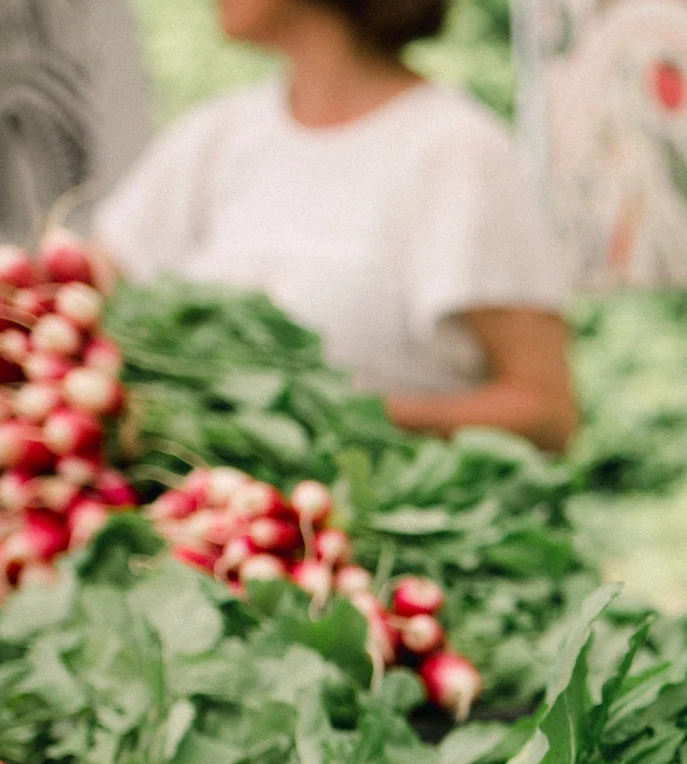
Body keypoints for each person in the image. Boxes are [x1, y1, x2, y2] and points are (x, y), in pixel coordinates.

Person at [94, 0, 578, 451]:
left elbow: (547, 413)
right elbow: (85, 288)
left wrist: (336, 417)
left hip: (358, 526)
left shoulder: (455, 152)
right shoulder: (218, 134)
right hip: (208, 526)